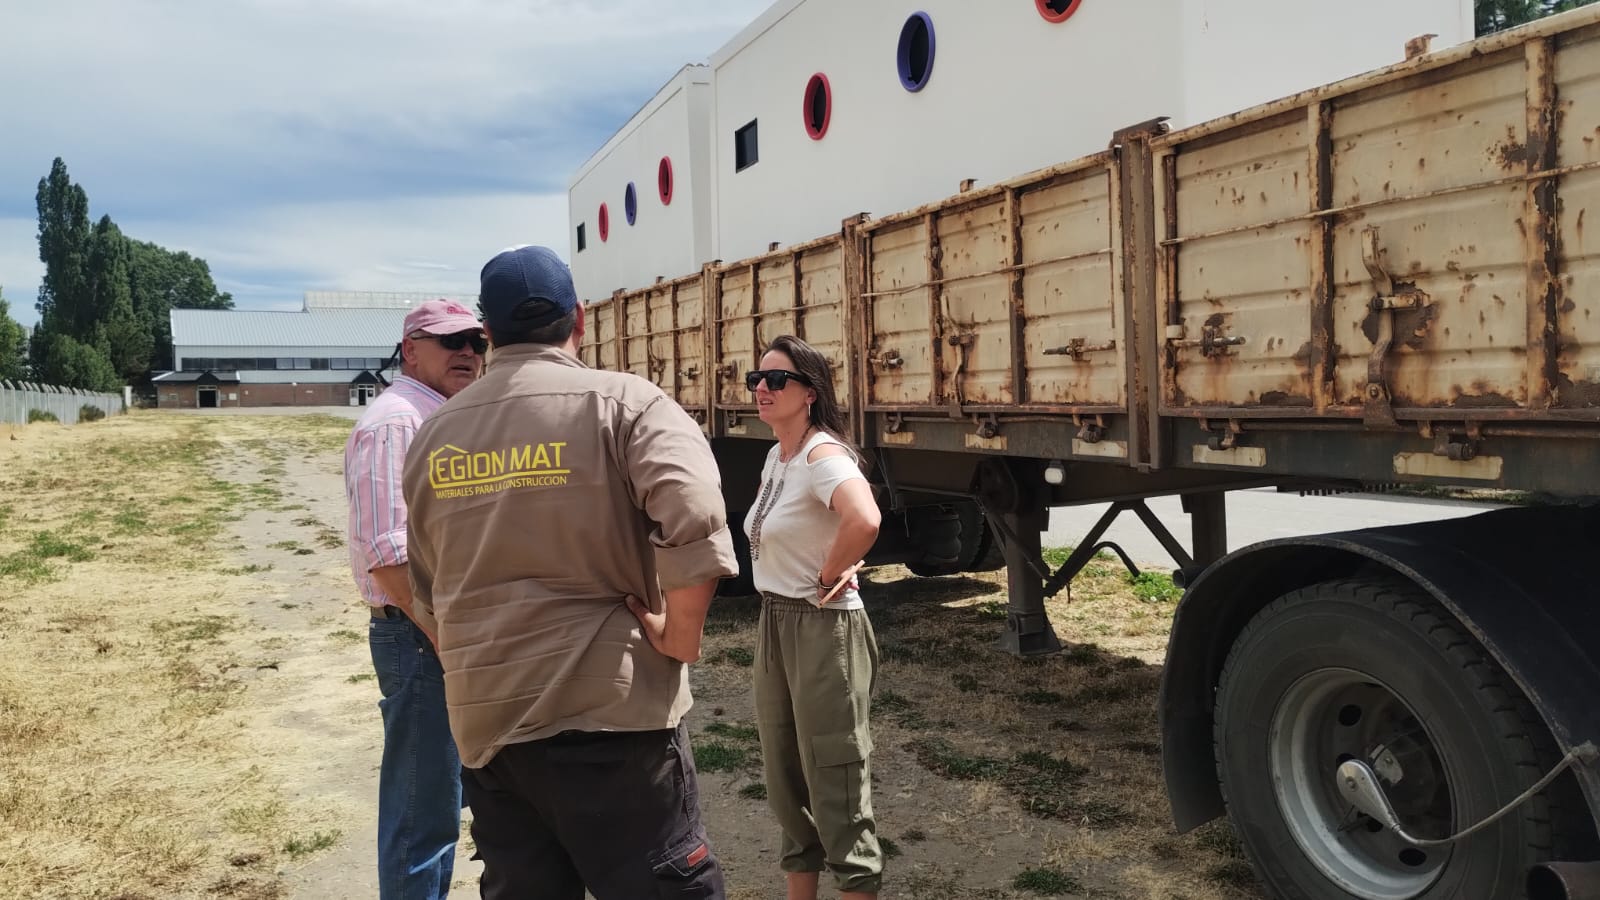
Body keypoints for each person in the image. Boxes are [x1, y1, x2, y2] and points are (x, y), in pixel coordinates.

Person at [402, 244, 737, 900]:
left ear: (490, 333)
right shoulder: (628, 405)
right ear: (578, 320)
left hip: (491, 730)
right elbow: (695, 511)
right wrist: (682, 634)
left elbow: (428, 586)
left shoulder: (433, 437)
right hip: (611, 716)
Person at [343, 298, 485, 899]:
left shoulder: (442, 416)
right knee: (424, 813)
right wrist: (440, 635)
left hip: (445, 632)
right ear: (411, 351)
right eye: (449, 341)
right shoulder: (398, 422)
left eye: (475, 342)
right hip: (421, 634)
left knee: (451, 798)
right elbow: (389, 553)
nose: (467, 353)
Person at [745, 334, 885, 900]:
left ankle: (857, 880)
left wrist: (829, 574)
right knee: (784, 777)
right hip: (775, 621)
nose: (761, 388)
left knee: (835, 779)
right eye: (756, 378)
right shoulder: (777, 455)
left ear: (809, 392)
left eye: (776, 379)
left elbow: (864, 518)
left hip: (822, 627)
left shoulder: (822, 453)